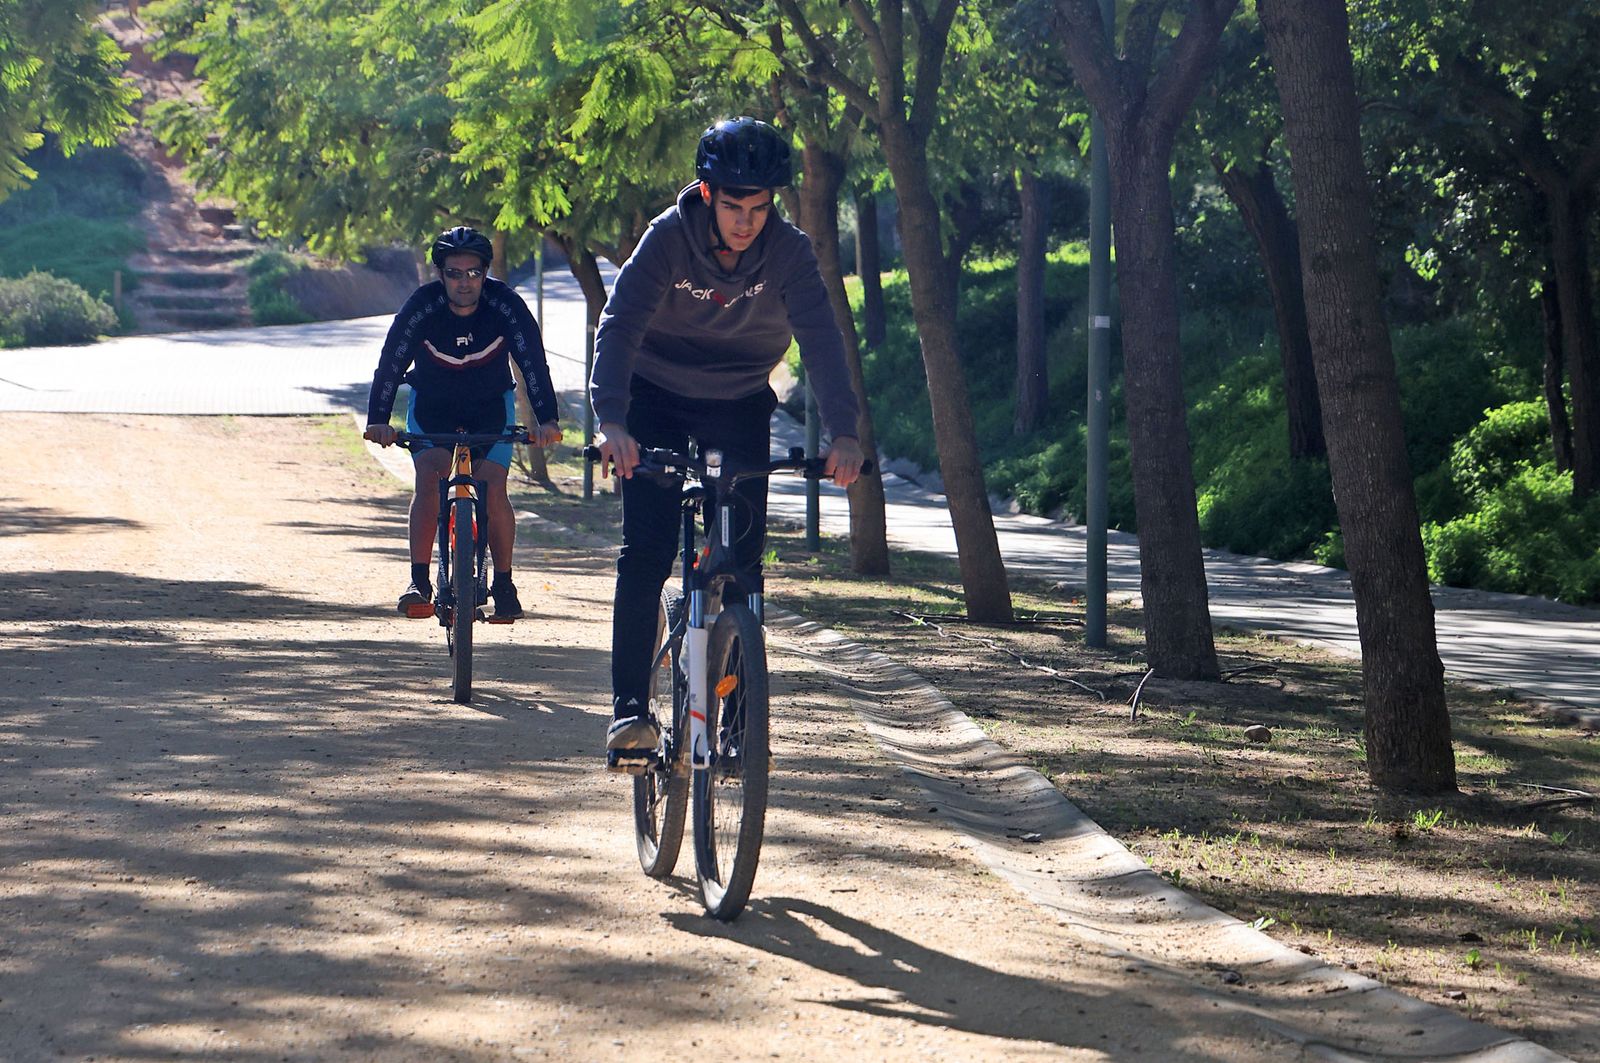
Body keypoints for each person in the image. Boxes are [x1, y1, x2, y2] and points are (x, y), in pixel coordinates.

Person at [590, 116, 865, 760]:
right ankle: (630, 712)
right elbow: (621, 324)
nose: (747, 221)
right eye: (735, 206)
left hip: (739, 401)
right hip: (656, 397)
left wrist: (845, 433)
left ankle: (739, 727)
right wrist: (613, 423)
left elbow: (823, 341)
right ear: (708, 194)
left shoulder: (790, 253)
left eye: (760, 207)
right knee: (647, 552)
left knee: (740, 567)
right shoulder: (667, 239)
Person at [364, 226, 563, 620]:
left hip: (491, 406)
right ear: (441, 275)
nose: (464, 282)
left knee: (492, 488)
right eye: (454, 273)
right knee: (430, 479)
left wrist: (547, 420)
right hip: (432, 406)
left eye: (473, 273)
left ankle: (504, 583)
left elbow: (532, 363)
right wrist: (378, 420)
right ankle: (419, 581)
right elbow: (391, 362)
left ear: (486, 272)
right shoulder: (422, 306)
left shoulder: (505, 305)